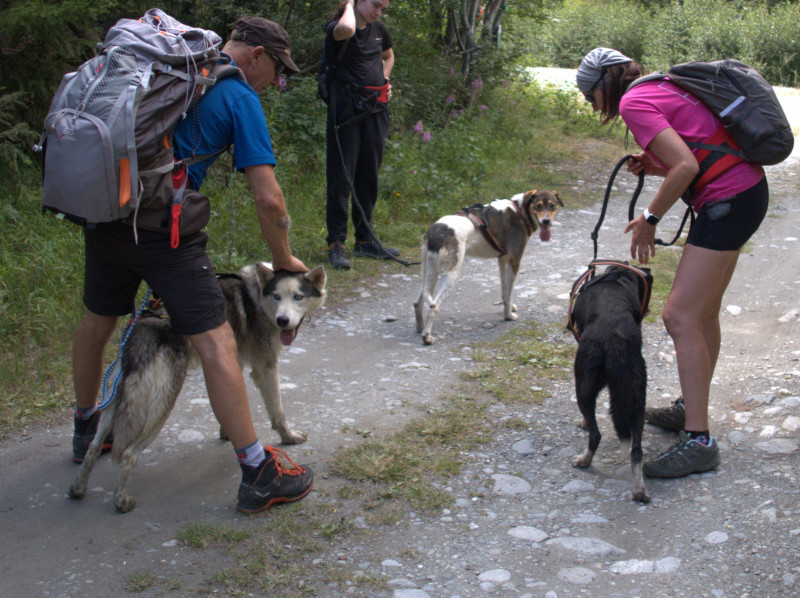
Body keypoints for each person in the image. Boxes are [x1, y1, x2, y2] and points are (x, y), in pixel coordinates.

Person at [71, 17, 313, 513]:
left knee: (97, 322)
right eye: (277, 71)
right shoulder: (238, 94)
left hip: (109, 212)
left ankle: (87, 430)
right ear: (257, 55)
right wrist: (285, 258)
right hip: (164, 226)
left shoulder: (172, 70)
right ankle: (257, 471)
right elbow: (269, 199)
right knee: (218, 340)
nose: (275, 83)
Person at [575, 48, 769, 479]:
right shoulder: (659, 84)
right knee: (702, 314)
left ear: (603, 84)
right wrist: (655, 164)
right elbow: (693, 150)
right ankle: (689, 410)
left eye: (590, 97)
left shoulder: (632, 101)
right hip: (747, 190)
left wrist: (649, 218)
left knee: (679, 315)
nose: (594, 106)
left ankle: (699, 441)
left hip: (727, 199)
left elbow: (687, 165)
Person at [323, 0, 398, 270]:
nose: (379, 12)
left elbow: (388, 56)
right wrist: (350, 4)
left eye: (383, 8)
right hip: (346, 111)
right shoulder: (338, 27)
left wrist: (385, 80)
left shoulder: (379, 30)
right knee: (342, 176)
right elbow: (345, 27)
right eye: (375, 5)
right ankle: (337, 243)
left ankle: (365, 241)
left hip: (376, 109)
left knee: (369, 175)